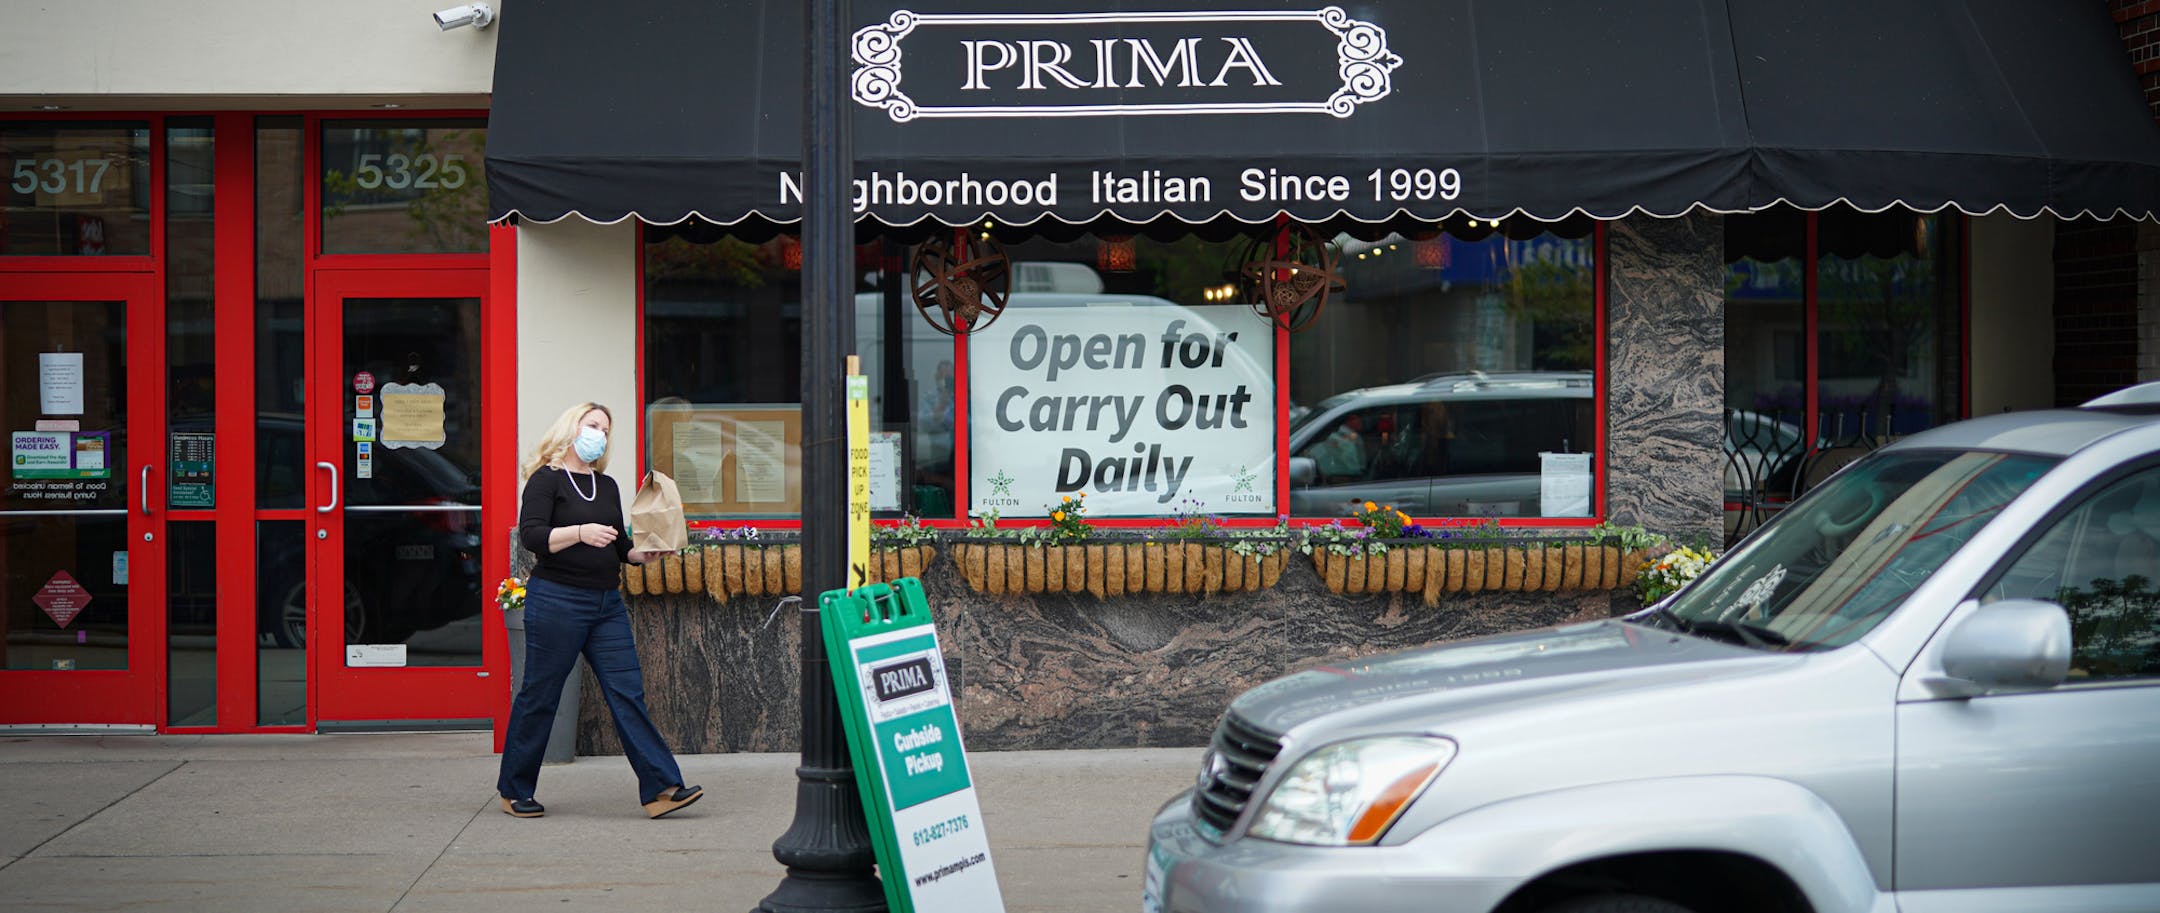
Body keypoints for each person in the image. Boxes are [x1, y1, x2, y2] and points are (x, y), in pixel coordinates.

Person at [496, 402, 703, 820]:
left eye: (605, 430)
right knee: (540, 694)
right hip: (557, 600)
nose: (599, 435)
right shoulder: (546, 480)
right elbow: (532, 537)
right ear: (571, 429)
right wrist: (579, 532)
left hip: (606, 604)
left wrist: (648, 553)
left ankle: (661, 789)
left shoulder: (606, 486)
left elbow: (622, 548)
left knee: (628, 694)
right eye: (592, 426)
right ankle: (514, 789)